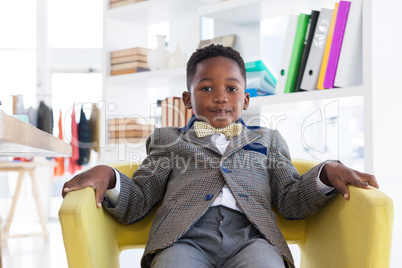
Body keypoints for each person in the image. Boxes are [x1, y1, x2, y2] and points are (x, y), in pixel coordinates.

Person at [62, 44, 378, 268]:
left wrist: (325, 172)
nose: (220, 98)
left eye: (231, 88)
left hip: (252, 240)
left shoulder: (267, 139)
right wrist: (109, 175)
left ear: (246, 98)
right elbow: (140, 200)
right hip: (183, 240)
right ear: (187, 98)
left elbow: (291, 201)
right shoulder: (167, 140)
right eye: (206, 89)